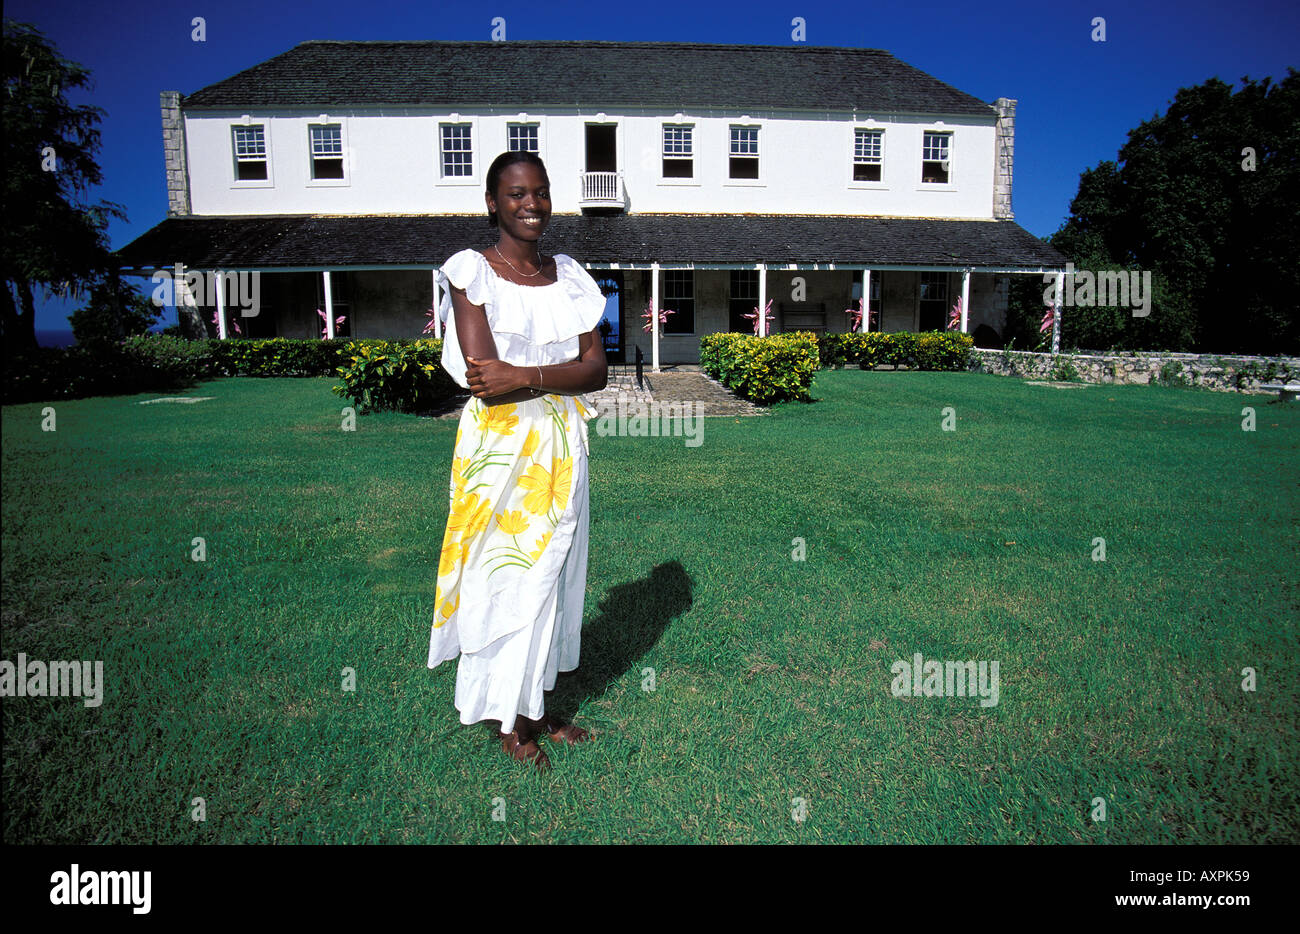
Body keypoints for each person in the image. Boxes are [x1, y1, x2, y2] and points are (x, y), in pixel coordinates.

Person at [427, 151, 608, 772]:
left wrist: (526, 373)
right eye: (516, 194)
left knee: (550, 576)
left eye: (541, 192)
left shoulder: (573, 278)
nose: (531, 205)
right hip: (499, 449)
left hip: (561, 444)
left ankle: (534, 710)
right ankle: (506, 716)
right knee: (501, 577)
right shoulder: (471, 272)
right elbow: (485, 380)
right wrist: (548, 378)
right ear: (492, 203)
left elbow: (596, 371)